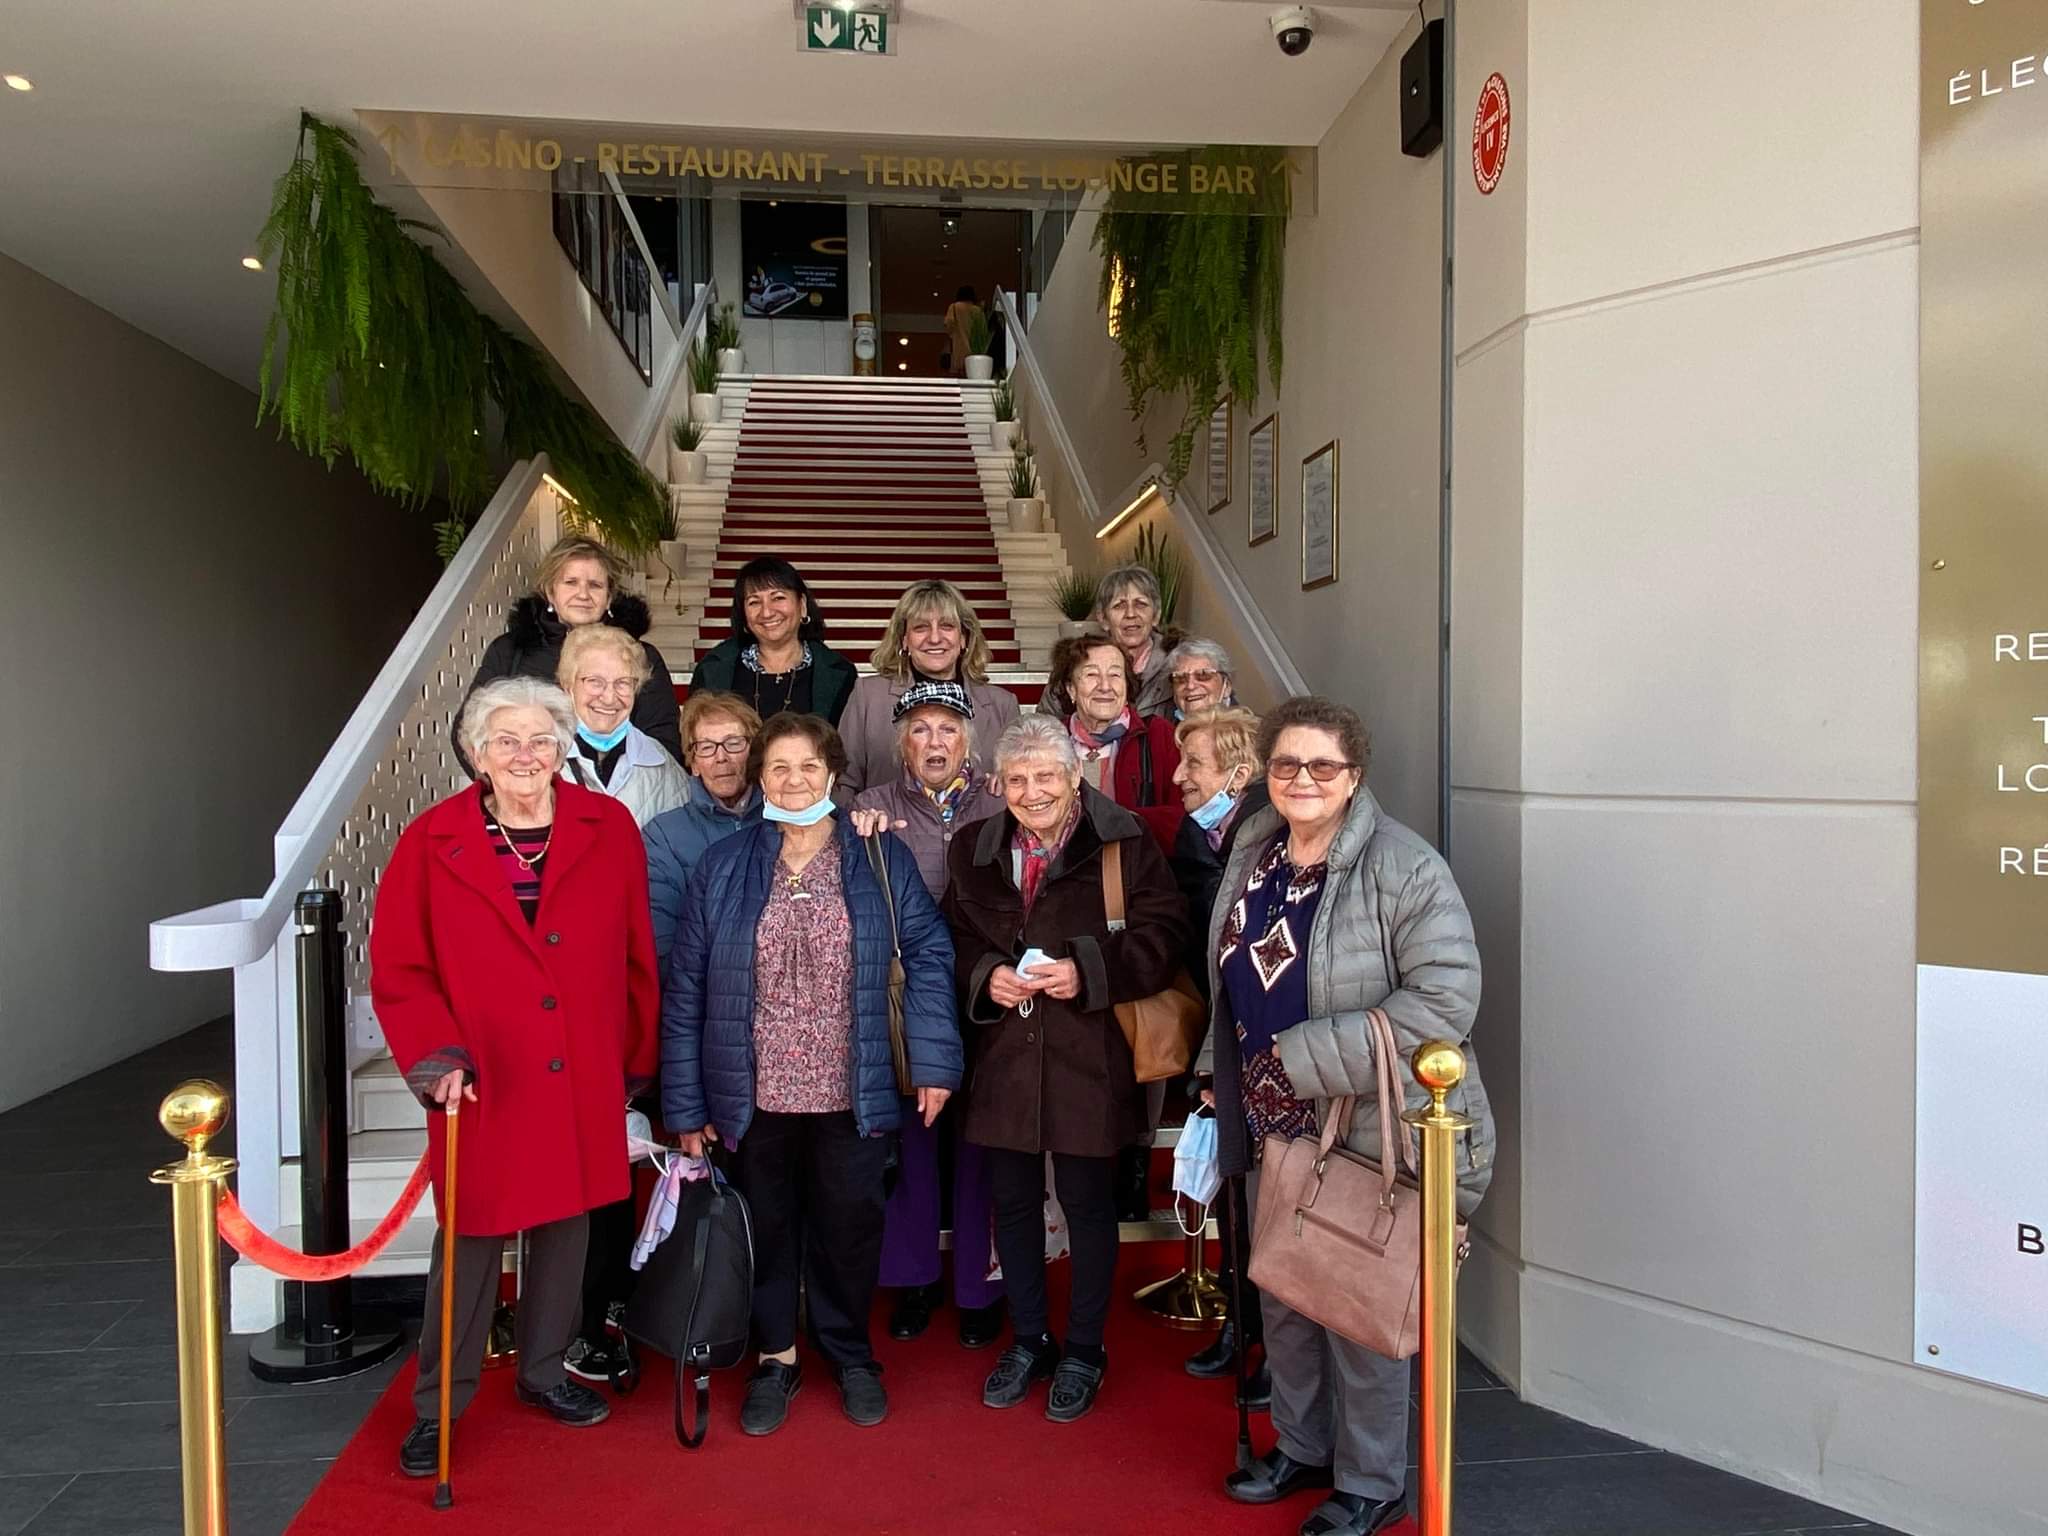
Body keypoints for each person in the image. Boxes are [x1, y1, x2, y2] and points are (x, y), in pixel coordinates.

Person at [1209, 697, 1495, 1536]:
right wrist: (1216, 1069)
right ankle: (1303, 1447)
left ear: (1355, 775)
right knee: (1289, 1297)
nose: (1302, 780)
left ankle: (1372, 1479)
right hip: (1269, 1121)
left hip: (1371, 1126)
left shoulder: (1405, 867)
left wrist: (1301, 1059)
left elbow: (1446, 1000)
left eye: (1322, 767)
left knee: (1357, 1304)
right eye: (1286, 765)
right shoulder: (1254, 849)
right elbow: (1228, 970)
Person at [373, 677, 658, 1476]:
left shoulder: (610, 825)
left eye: (540, 739)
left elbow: (637, 949)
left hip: (581, 1068)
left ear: (564, 745)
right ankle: (439, 1405)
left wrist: (635, 1059)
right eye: (507, 741)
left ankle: (543, 1372)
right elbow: (401, 968)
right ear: (476, 754)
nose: (526, 755)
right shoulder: (431, 841)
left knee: (567, 1233)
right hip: (482, 1076)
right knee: (468, 1244)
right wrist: (437, 1061)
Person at [661, 713, 962, 1435]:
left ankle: (850, 1353)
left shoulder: (877, 859)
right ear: (759, 779)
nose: (794, 781)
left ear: (832, 774)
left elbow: (926, 956)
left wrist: (934, 1061)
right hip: (751, 1092)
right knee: (765, 1227)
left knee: (850, 1226)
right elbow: (689, 988)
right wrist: (684, 1103)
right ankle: (777, 1357)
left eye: (807, 767)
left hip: (848, 1088)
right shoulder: (724, 865)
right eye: (778, 769)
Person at [942, 715, 1189, 1424]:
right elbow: (950, 936)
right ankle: (1029, 1340)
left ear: (1074, 776)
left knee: (1086, 1206)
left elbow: (1165, 933)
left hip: (1091, 1055)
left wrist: (1086, 971)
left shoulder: (1125, 840)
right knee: (1013, 1205)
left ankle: (1083, 1349)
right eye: (1017, 779)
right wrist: (985, 976)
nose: (1032, 791)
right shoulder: (973, 847)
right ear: (1000, 784)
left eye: (1046, 776)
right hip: (1004, 1059)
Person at [855, 680, 1009, 1348]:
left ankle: (981, 1286)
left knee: (983, 1145)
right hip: (907, 999)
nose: (935, 742)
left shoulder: (1002, 800)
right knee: (912, 1142)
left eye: (948, 729)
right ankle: (914, 1280)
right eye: (920, 730)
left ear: (969, 739)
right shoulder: (870, 806)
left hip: (986, 993)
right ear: (901, 743)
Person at [1167, 705, 1270, 1399]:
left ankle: (1275, 1346)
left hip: (1277, 1053)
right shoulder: (1201, 837)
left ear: (1239, 774)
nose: (1177, 777)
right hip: (1226, 1044)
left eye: (1193, 765)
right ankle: (1242, 1328)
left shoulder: (1270, 843)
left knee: (1271, 1208)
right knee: (1236, 1199)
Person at [463, 535, 681, 764]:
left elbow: (663, 739)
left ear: (609, 597)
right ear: (550, 592)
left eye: (595, 585)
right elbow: (471, 731)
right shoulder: (510, 651)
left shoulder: (641, 657)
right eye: (571, 582)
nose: (583, 594)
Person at [837, 580, 1021, 794]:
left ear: (963, 638)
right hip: (887, 825)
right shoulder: (868, 696)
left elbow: (1019, 782)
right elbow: (844, 783)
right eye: (921, 627)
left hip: (978, 827)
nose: (934, 638)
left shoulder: (1002, 704)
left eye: (947, 626)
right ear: (904, 639)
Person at [643, 691, 763, 974]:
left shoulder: (784, 822)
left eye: (734, 743)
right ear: (693, 762)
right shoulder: (663, 835)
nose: (721, 758)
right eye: (706, 747)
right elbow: (664, 941)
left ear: (755, 752)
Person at [1044, 630, 1184, 856]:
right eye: (1091, 675)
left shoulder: (1158, 735)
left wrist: (1118, 821)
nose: (1105, 686)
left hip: (1137, 874)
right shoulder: (1049, 740)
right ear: (1071, 689)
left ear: (1127, 686)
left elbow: (1180, 818)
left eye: (1115, 675)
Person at [690, 557, 858, 725]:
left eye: (778, 598)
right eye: (754, 602)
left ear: (802, 604)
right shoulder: (711, 671)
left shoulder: (840, 673)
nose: (767, 612)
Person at [555, 624, 692, 824]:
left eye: (623, 683)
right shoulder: (543, 759)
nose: (609, 697)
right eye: (595, 681)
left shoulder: (662, 765)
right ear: (568, 687)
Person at [1166, 637, 1236, 720]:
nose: (1190, 686)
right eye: (1180, 678)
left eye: (1203, 675)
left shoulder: (1248, 730)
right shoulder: (1163, 729)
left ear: (1227, 687)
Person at [943, 285, 983, 378]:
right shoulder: (977, 310)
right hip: (975, 350)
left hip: (959, 347)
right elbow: (982, 330)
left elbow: (949, 325)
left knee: (958, 374)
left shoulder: (954, 307)